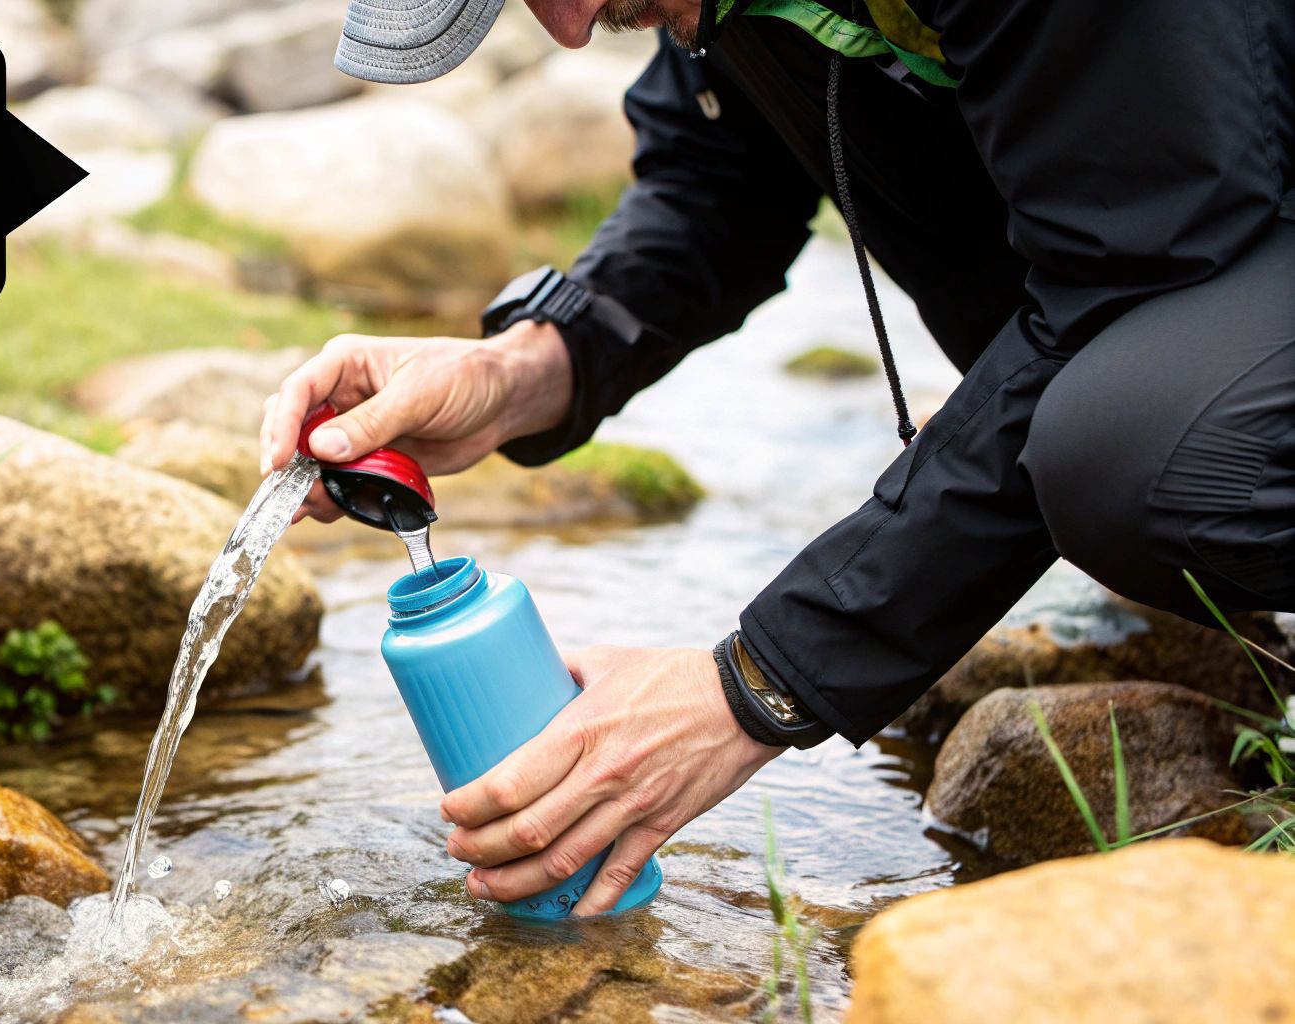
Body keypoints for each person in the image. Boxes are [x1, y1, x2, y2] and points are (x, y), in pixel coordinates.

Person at [257, 0, 1295, 916]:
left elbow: (1126, 270)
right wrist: (525, 366)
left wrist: (752, 685)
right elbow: (712, 187)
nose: (566, 28)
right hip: (1195, 238)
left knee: (1136, 464)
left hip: (1208, 232)